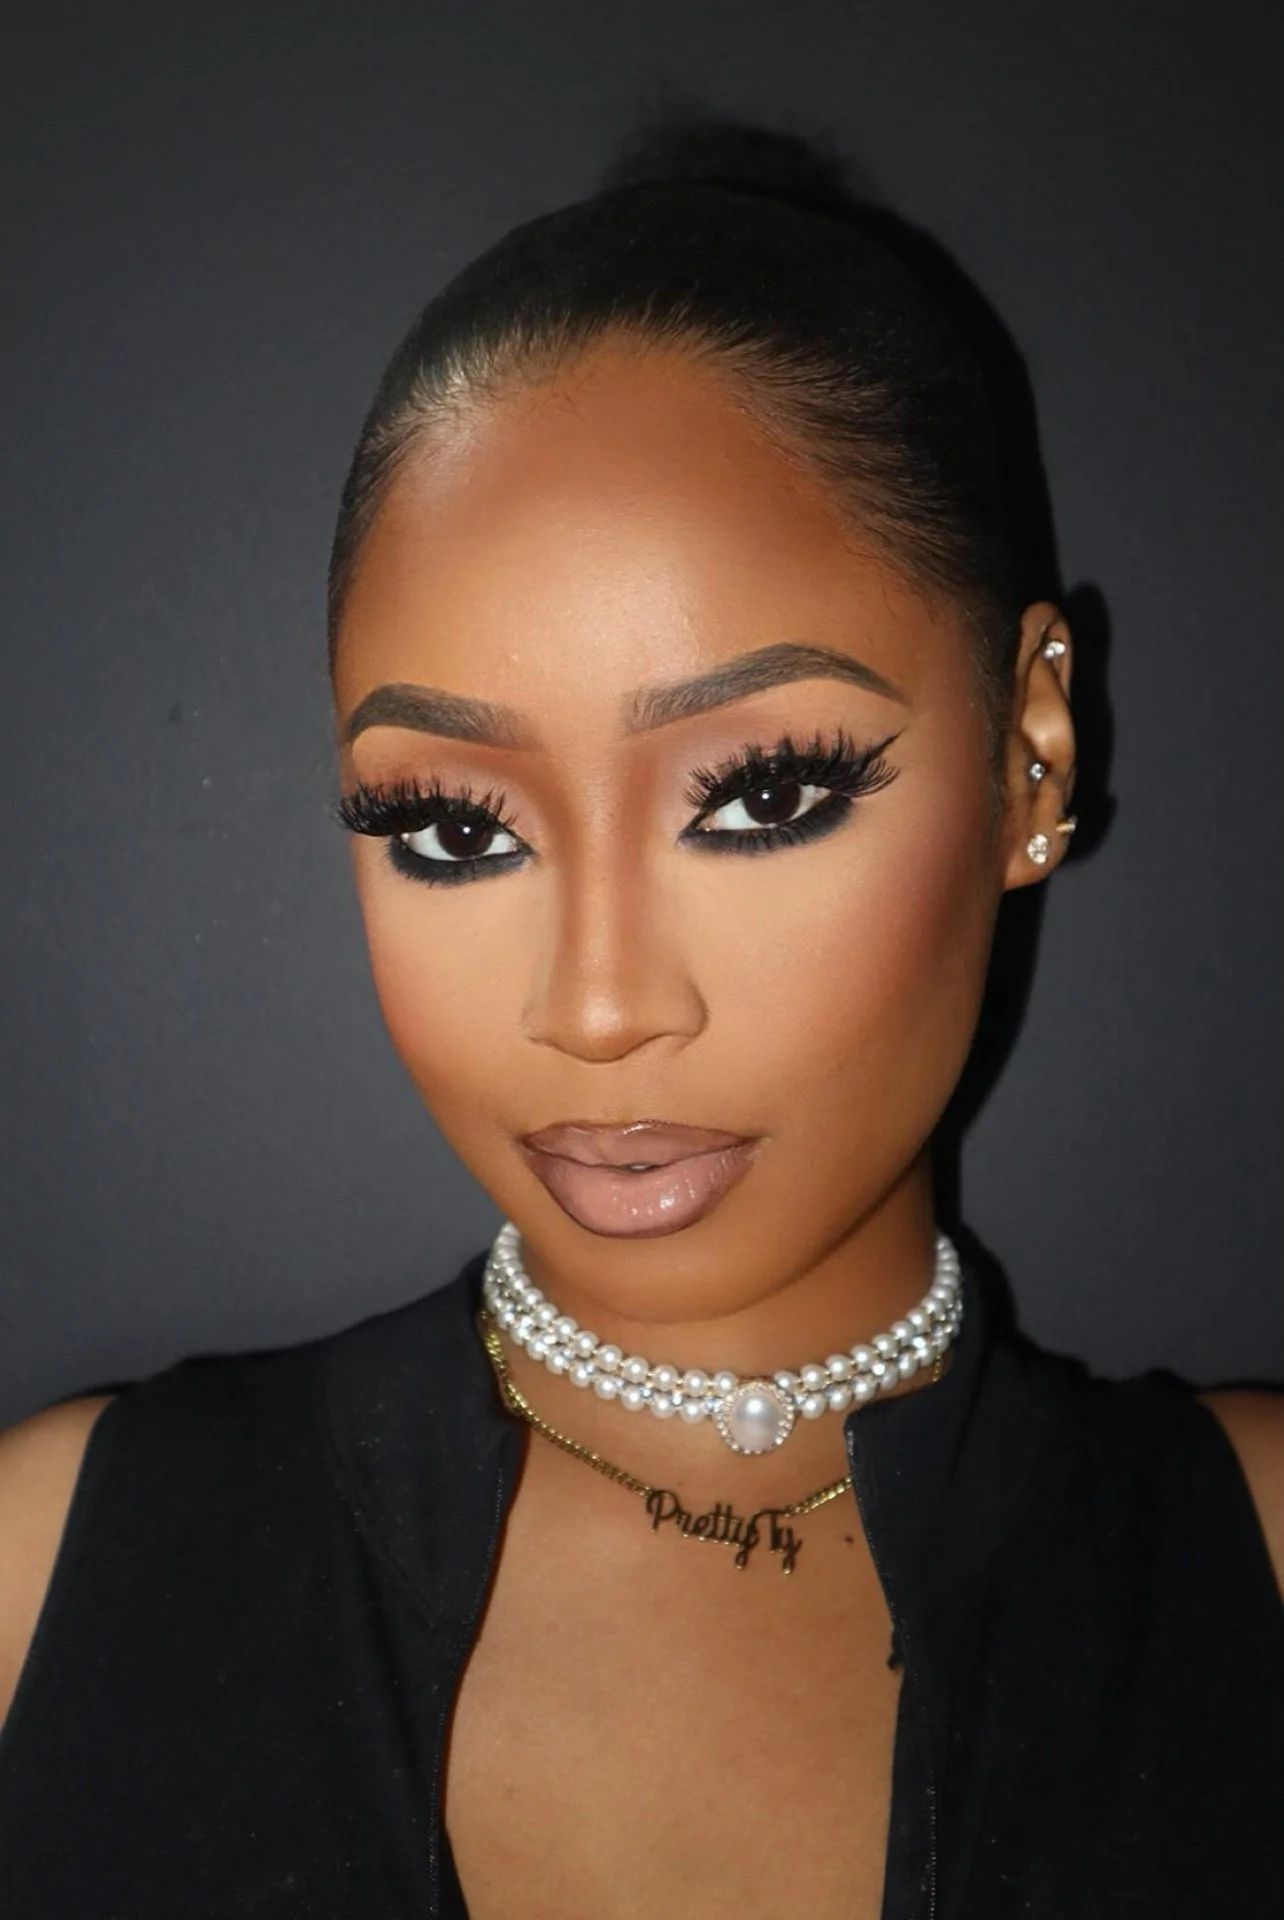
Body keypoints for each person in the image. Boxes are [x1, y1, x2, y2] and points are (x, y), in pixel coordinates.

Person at [0, 112, 1280, 1919]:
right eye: (452, 827)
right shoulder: (47, 1571)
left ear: (1032, 755)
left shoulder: (1257, 1565)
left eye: (762, 794)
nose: (597, 1008)